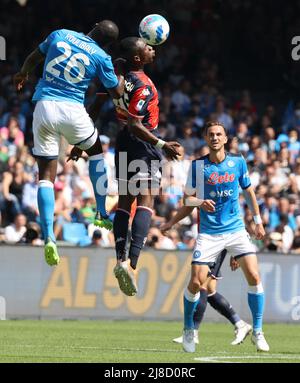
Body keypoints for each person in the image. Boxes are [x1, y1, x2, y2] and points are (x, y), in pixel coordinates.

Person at [14, 20, 125, 267]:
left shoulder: (60, 34)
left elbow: (34, 56)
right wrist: (117, 72)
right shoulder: (101, 55)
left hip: (43, 106)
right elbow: (116, 93)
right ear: (108, 43)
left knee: (45, 176)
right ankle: (101, 211)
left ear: (94, 26)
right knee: (96, 153)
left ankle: (49, 237)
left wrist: (23, 72)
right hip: (72, 110)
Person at [161, 121, 269, 353]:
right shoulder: (198, 166)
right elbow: (186, 201)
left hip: (236, 230)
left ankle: (258, 331)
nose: (215, 138)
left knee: (254, 275)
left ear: (226, 138)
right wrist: (199, 203)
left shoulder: (237, 162)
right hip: (209, 234)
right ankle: (189, 329)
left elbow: (249, 192)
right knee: (197, 282)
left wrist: (258, 221)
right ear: (206, 139)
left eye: (219, 134)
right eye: (211, 134)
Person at [111, 37, 181, 296]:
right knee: (146, 201)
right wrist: (162, 145)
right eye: (148, 47)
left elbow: (102, 102)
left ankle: (119, 258)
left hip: (122, 142)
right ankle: (132, 264)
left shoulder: (116, 74)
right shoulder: (143, 85)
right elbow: (135, 123)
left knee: (123, 202)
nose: (153, 49)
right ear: (138, 58)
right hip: (143, 143)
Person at [161, 215, 252, 346]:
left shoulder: (215, 196)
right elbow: (188, 206)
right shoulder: (202, 197)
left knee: (202, 285)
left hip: (217, 241)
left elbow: (233, 217)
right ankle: (240, 324)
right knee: (209, 290)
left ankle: (193, 332)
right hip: (207, 241)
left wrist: (235, 253)